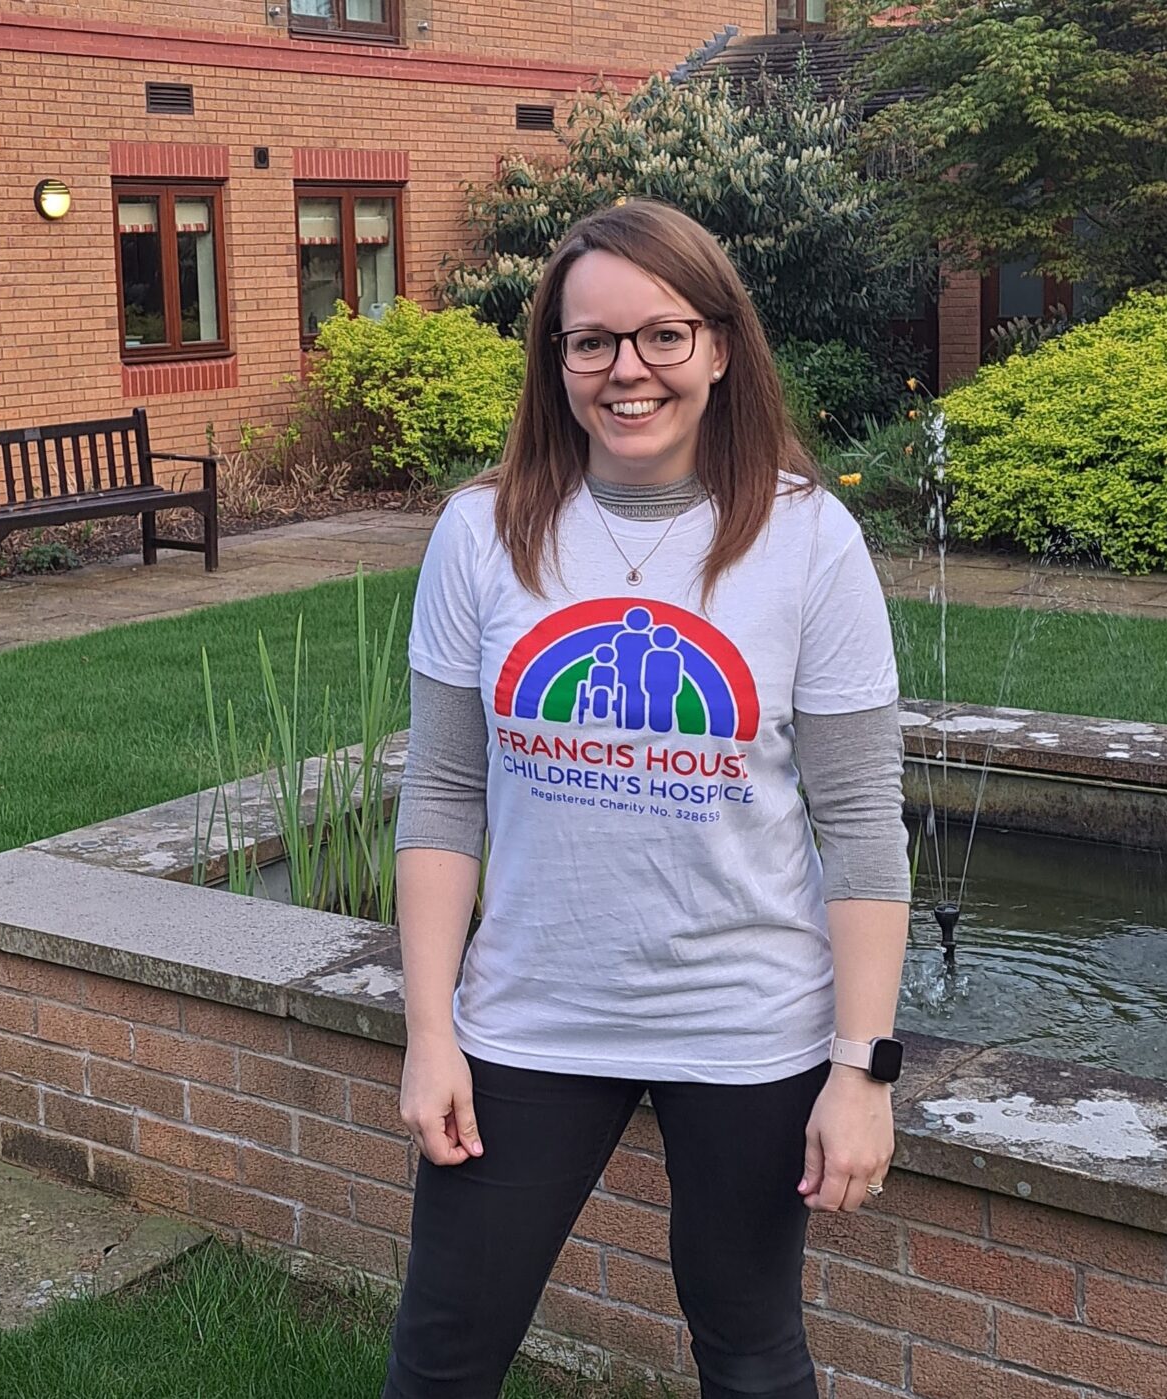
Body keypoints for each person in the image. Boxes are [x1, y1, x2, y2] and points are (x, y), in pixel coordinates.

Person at [383, 199, 912, 1399]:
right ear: (556, 360)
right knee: (444, 1351)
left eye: (662, 336)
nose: (628, 370)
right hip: (527, 1018)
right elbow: (444, 795)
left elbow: (863, 827)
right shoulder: (480, 532)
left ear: (721, 348)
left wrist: (861, 1068)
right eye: (592, 342)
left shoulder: (808, 540)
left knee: (751, 1350)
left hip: (749, 1027)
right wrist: (429, 1030)